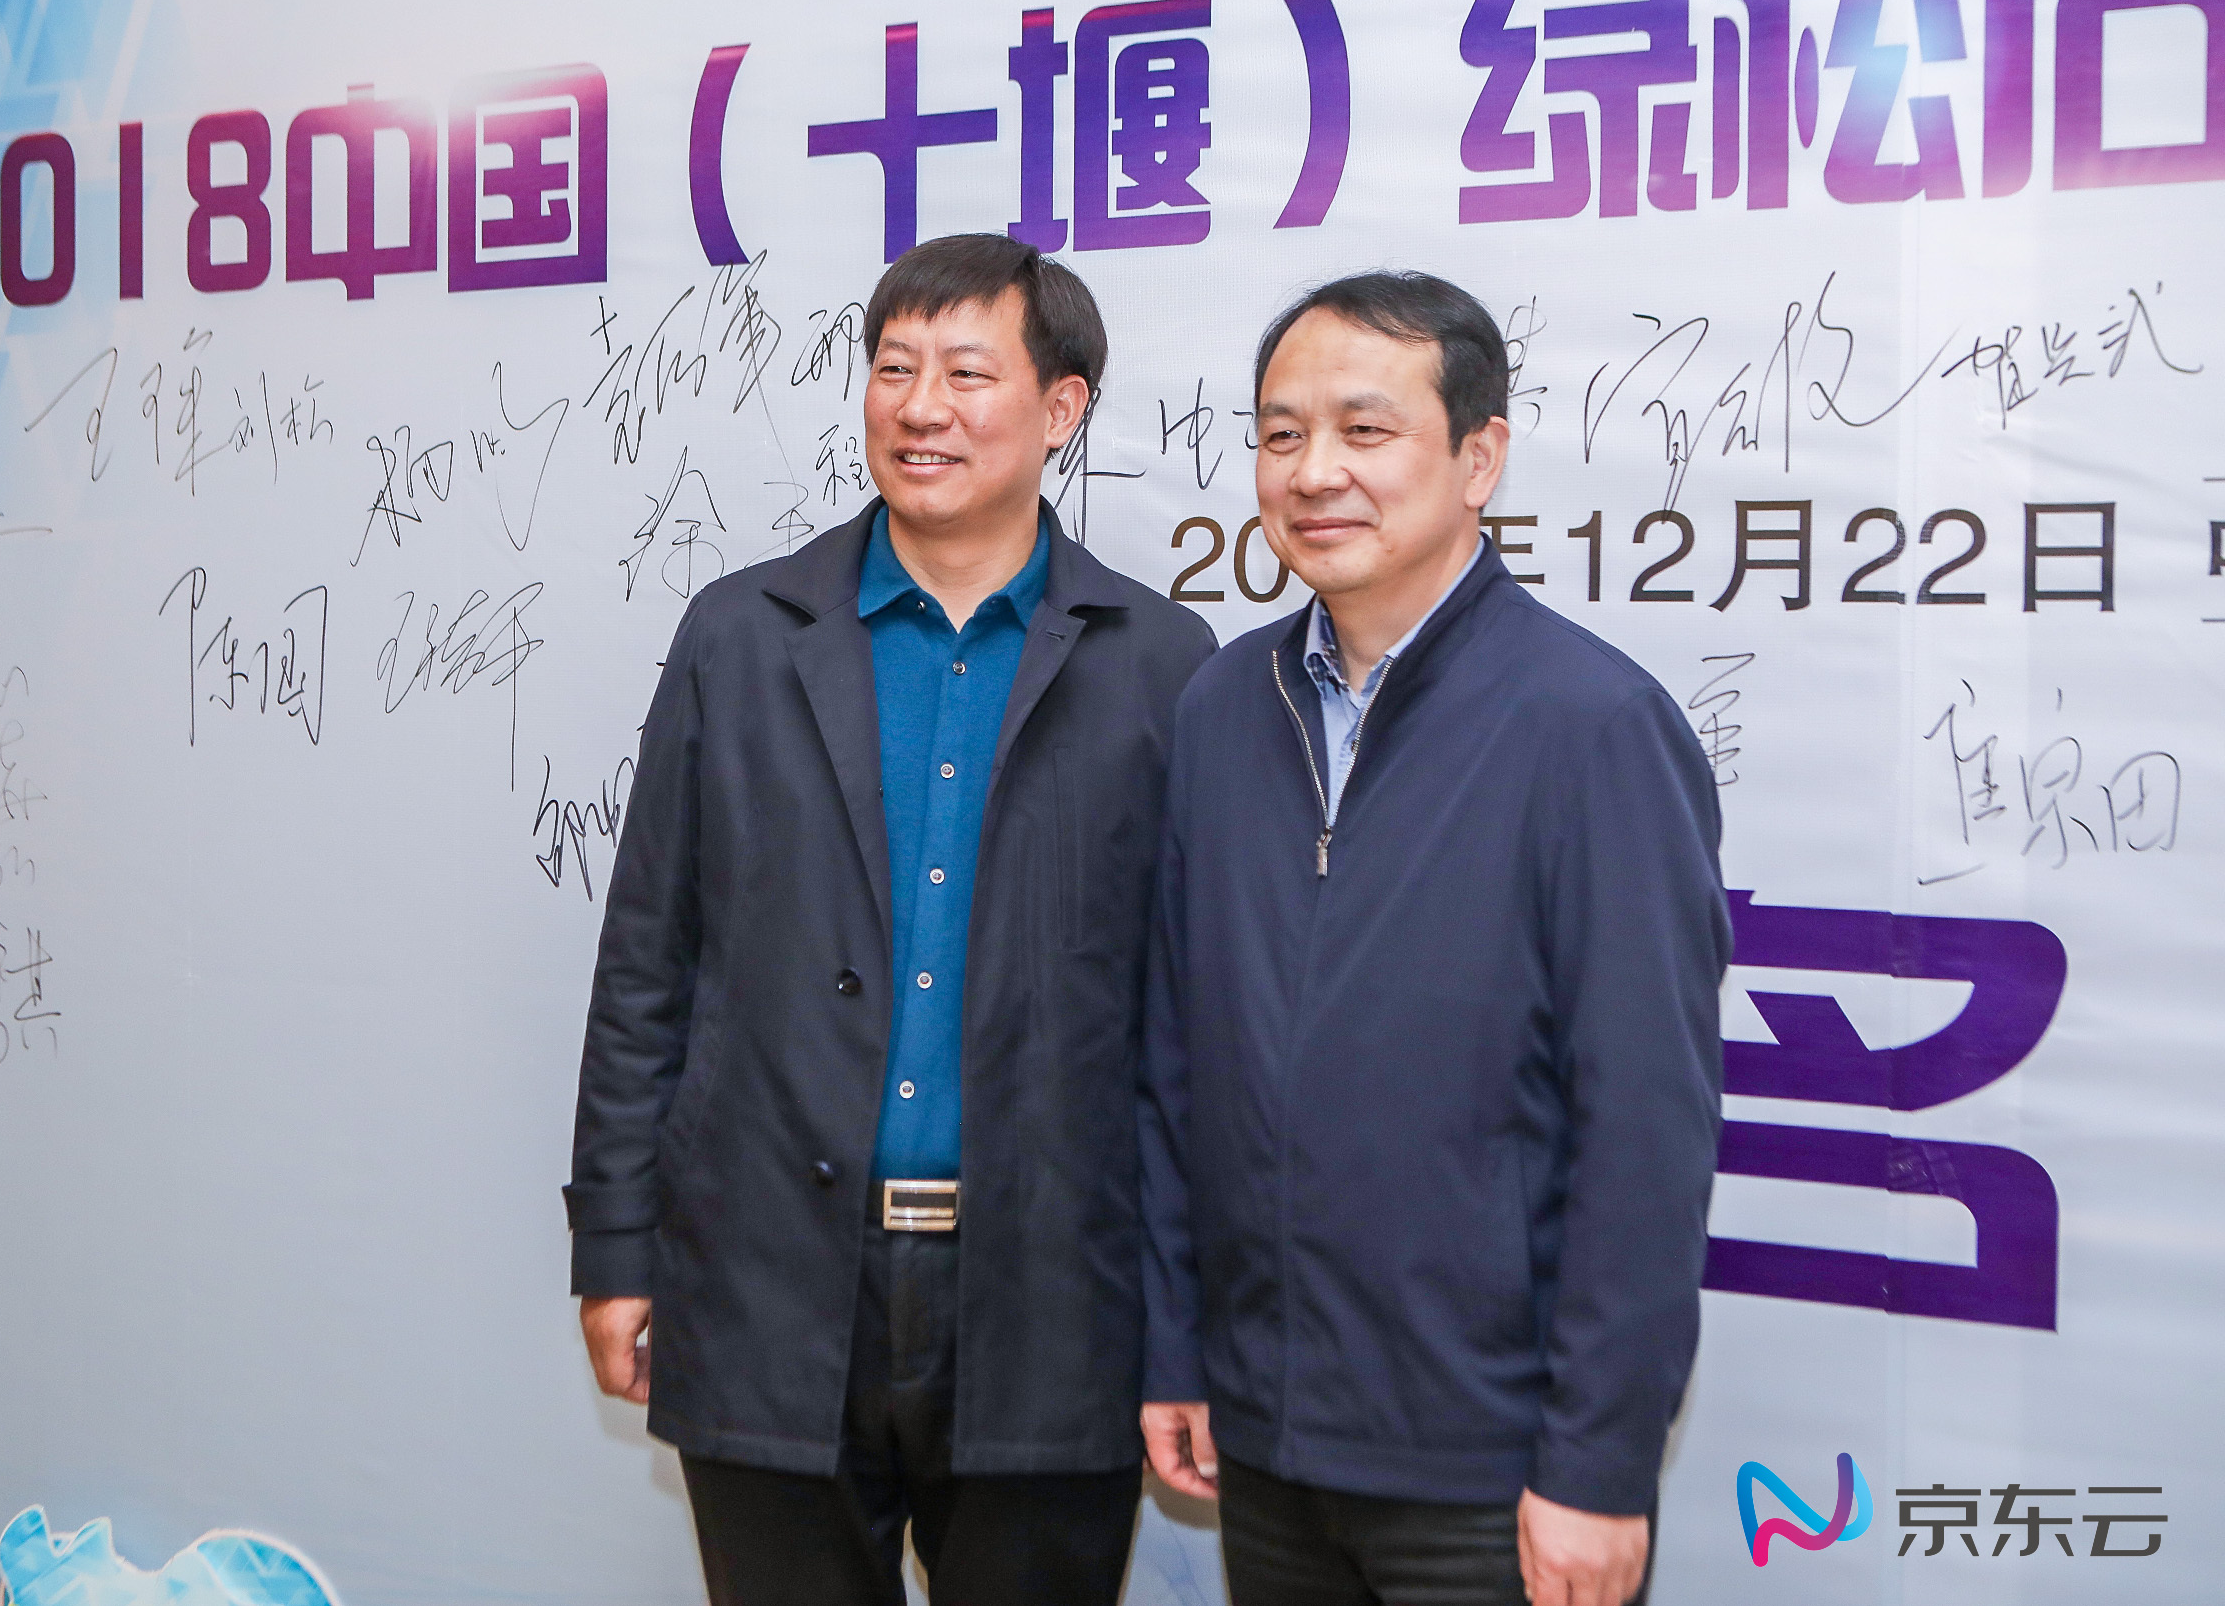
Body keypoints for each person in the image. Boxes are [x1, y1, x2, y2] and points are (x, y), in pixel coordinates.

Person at [567, 232, 1216, 1605]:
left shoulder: (1162, 666)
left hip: (1052, 1301)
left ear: (1061, 407)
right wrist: (616, 1249)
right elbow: (647, 970)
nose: (921, 408)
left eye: (967, 373)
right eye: (894, 368)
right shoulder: (742, 637)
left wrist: (1187, 1314)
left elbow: (1190, 1030)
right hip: (770, 1280)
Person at [1138, 271, 1729, 1606]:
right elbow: (1176, 1065)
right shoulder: (1224, 707)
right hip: (1265, 1443)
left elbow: (1643, 1129)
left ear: (1479, 457)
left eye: (1365, 429)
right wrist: (1178, 1346)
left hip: (1492, 1467)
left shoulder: (1592, 727)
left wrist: (1599, 1465)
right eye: (1281, 434)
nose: (1315, 472)